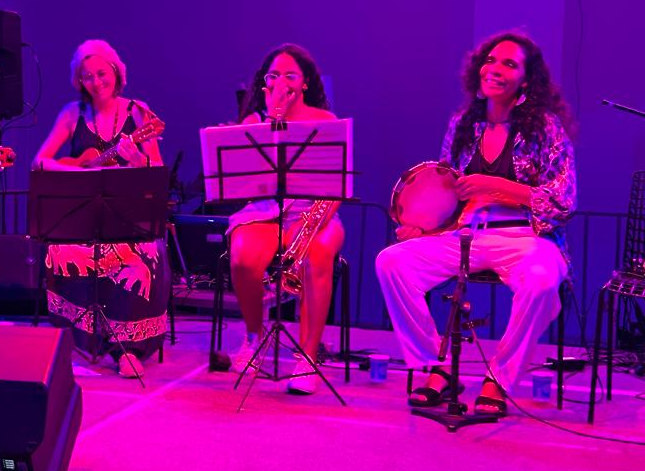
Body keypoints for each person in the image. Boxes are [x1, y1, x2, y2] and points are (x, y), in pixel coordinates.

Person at [375, 31, 576, 417]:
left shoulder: (545, 128)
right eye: (490, 60)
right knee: (392, 261)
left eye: (509, 64)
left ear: (526, 80)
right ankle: (436, 367)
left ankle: (498, 378)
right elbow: (445, 193)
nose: (495, 69)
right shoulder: (463, 124)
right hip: (464, 232)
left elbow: (563, 201)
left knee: (541, 280)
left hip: (525, 237)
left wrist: (496, 186)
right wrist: (423, 225)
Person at [32, 39, 167, 379]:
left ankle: (128, 348)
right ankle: (82, 339)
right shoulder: (72, 113)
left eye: (101, 73)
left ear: (116, 72)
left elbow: (156, 170)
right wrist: (76, 172)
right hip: (83, 218)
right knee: (63, 250)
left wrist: (136, 160)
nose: (96, 81)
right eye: (87, 76)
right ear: (79, 80)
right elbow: (40, 161)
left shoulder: (139, 113)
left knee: (142, 252)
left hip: (128, 218)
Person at [225, 43, 346, 395]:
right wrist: (273, 118)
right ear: (264, 83)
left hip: (317, 212)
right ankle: (254, 336)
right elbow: (244, 183)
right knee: (242, 256)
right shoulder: (254, 122)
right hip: (266, 211)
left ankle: (307, 358)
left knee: (318, 255)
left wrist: (310, 225)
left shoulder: (326, 122)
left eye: (290, 75)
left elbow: (337, 184)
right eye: (274, 75)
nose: (282, 82)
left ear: (305, 82)